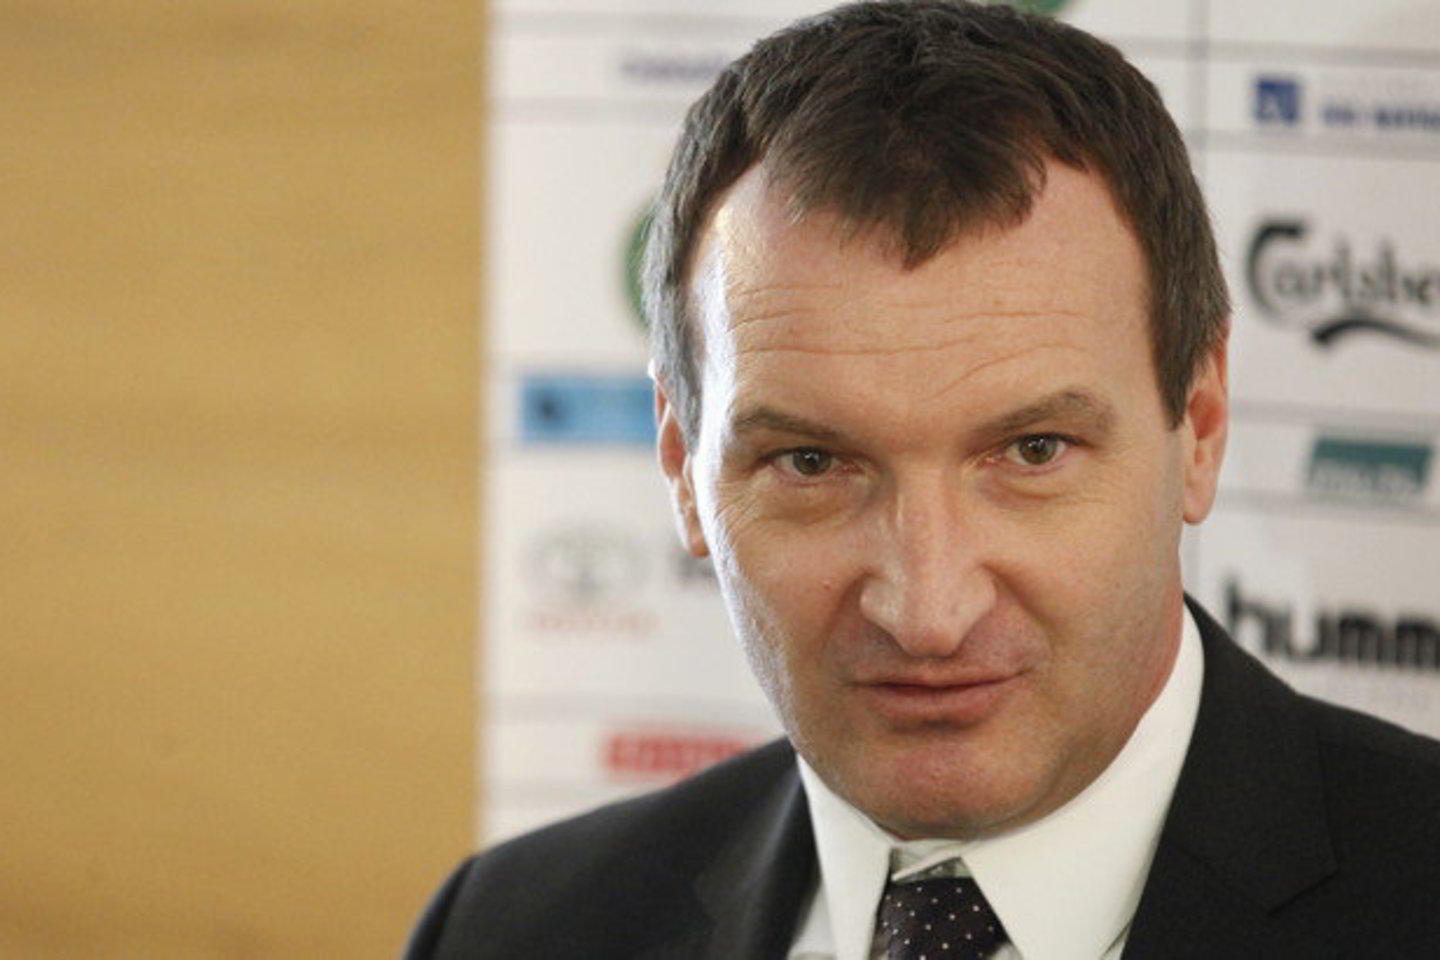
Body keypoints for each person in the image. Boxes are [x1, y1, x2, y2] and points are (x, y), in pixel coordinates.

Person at [407, 3, 1440, 957]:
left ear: (1200, 428)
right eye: (812, 463)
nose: (927, 614)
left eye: (1033, 452)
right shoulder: (510, 931)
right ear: (682, 466)